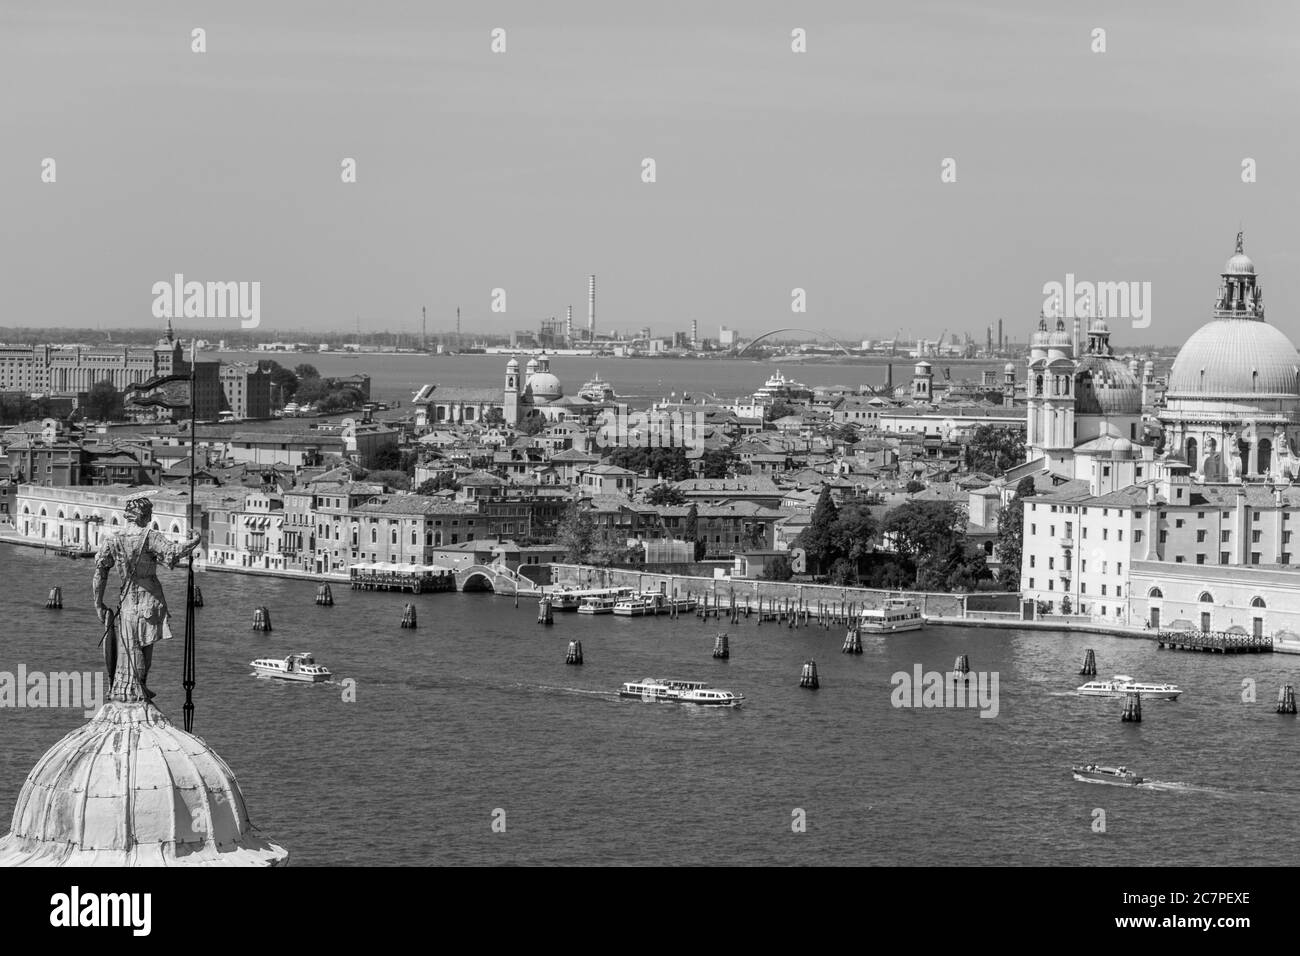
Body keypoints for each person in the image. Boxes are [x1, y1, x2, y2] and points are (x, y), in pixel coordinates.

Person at [92, 493, 202, 702]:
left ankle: (130, 686)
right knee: (143, 647)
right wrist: (195, 541)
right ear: (142, 515)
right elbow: (173, 553)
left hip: (127, 604)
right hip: (149, 601)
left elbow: (100, 573)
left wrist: (98, 604)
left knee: (130, 647)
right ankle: (139, 688)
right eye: (149, 514)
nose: (150, 519)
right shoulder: (151, 537)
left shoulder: (113, 539)